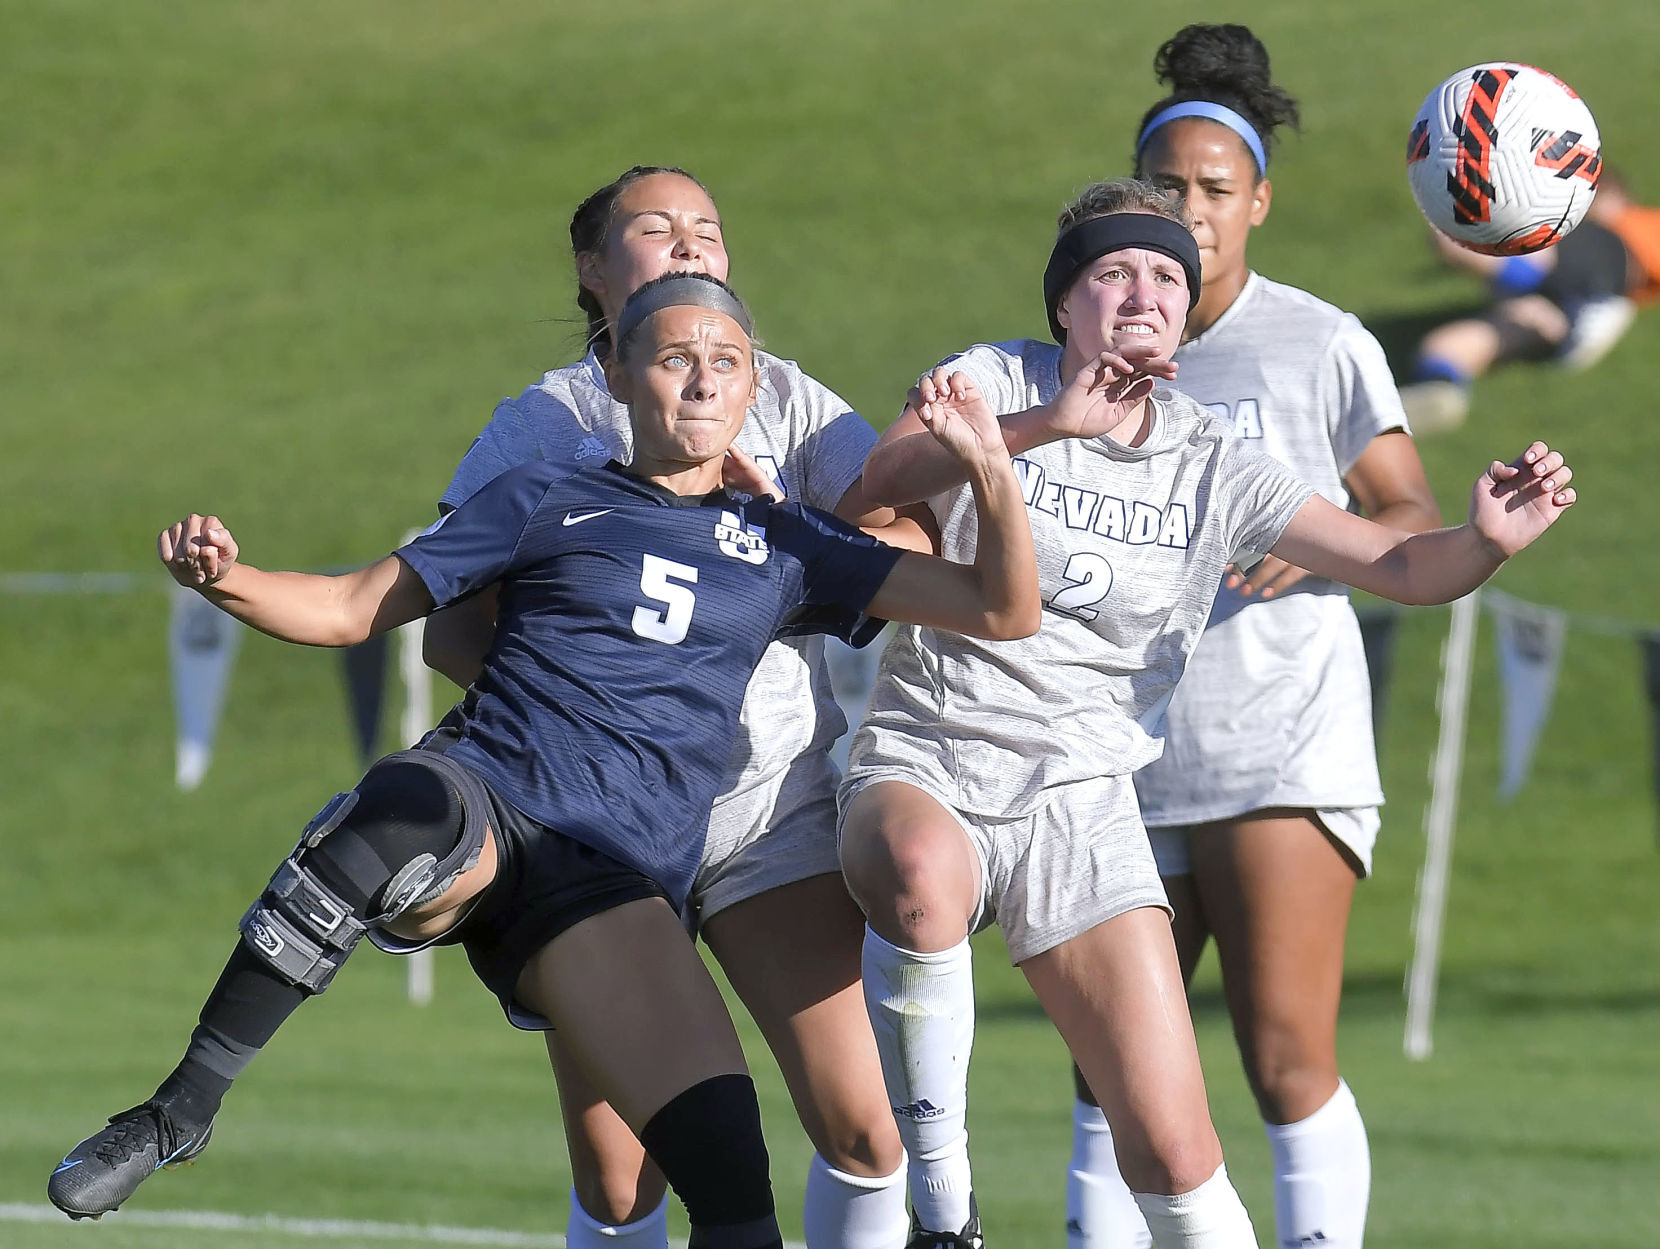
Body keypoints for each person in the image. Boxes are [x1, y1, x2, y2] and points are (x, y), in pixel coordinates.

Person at [46, 273, 1042, 1243]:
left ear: (752, 388)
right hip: (486, 799)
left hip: (612, 875)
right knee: (396, 810)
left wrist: (991, 466)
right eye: (674, 357)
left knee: (733, 1189)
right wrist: (227, 579)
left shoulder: (786, 540)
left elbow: (1003, 606)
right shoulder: (542, 494)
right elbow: (352, 608)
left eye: (726, 362)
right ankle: (177, 1110)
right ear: (616, 374)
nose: (702, 379)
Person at [848, 179, 1577, 1249]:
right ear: (1065, 305)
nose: (1142, 290)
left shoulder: (1212, 459)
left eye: (1165, 275)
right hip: (934, 749)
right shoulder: (990, 377)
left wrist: (1485, 541)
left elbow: (1403, 564)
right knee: (918, 879)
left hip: (1086, 794)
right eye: (1112, 272)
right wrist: (1046, 423)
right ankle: (945, 1217)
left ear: (1188, 311)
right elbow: (864, 496)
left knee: (1179, 1158)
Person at [424, 165, 933, 1249]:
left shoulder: (787, 397)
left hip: (761, 811)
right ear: (594, 272)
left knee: (864, 1131)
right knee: (622, 1182)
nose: (691, 243)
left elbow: (909, 553)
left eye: (708, 227)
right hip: (590, 829)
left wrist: (788, 537)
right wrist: (585, 718)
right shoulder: (546, 422)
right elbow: (448, 625)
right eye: (655, 229)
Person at [1055, 25, 1443, 1249]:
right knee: (1110, 1075)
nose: (1190, 210)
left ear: (1257, 201)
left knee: (1282, 1057)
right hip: (1114, 757)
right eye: (1165, 188)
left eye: (1215, 189)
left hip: (1276, 747)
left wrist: (1309, 535)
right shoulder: (1087, 341)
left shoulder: (1317, 340)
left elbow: (1408, 511)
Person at [1400, 165, 1660, 433]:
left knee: (1508, 271)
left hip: (1601, 265)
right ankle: (1441, 386)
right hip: (1579, 303)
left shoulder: (1627, 226)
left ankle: (1440, 375)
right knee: (1508, 326)